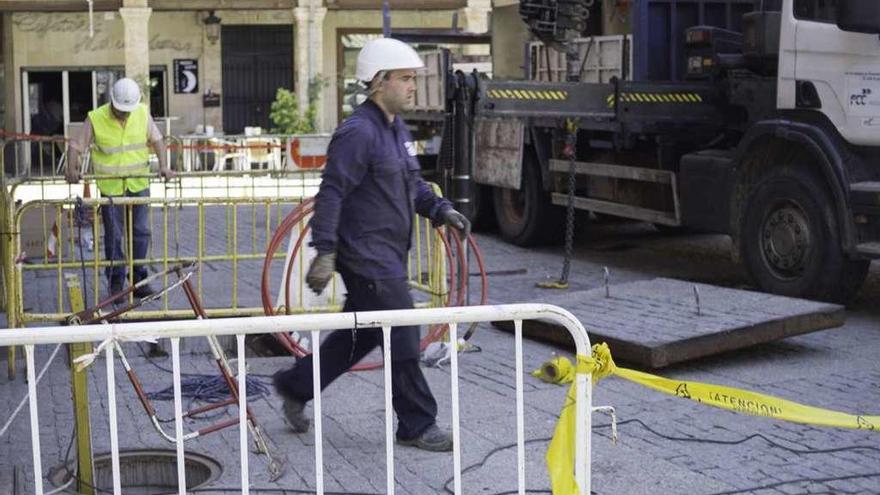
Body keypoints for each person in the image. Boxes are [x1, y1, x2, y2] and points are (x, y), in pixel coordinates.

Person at [273, 37, 471, 452]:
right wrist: (324, 252)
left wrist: (439, 209)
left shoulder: (395, 128)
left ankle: (295, 386)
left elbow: (412, 183)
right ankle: (417, 423)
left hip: (388, 255)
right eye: (405, 78)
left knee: (357, 337)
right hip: (366, 257)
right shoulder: (357, 133)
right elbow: (332, 193)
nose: (413, 86)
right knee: (401, 331)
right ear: (380, 81)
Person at [66, 77, 175, 298]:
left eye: (127, 110)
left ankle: (139, 279)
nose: (124, 114)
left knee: (141, 232)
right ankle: (116, 282)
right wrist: (71, 168)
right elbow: (76, 146)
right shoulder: (96, 118)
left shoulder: (142, 113)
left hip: (139, 183)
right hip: (111, 187)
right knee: (114, 236)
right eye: (120, 110)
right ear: (112, 102)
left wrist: (164, 166)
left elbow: (158, 141)